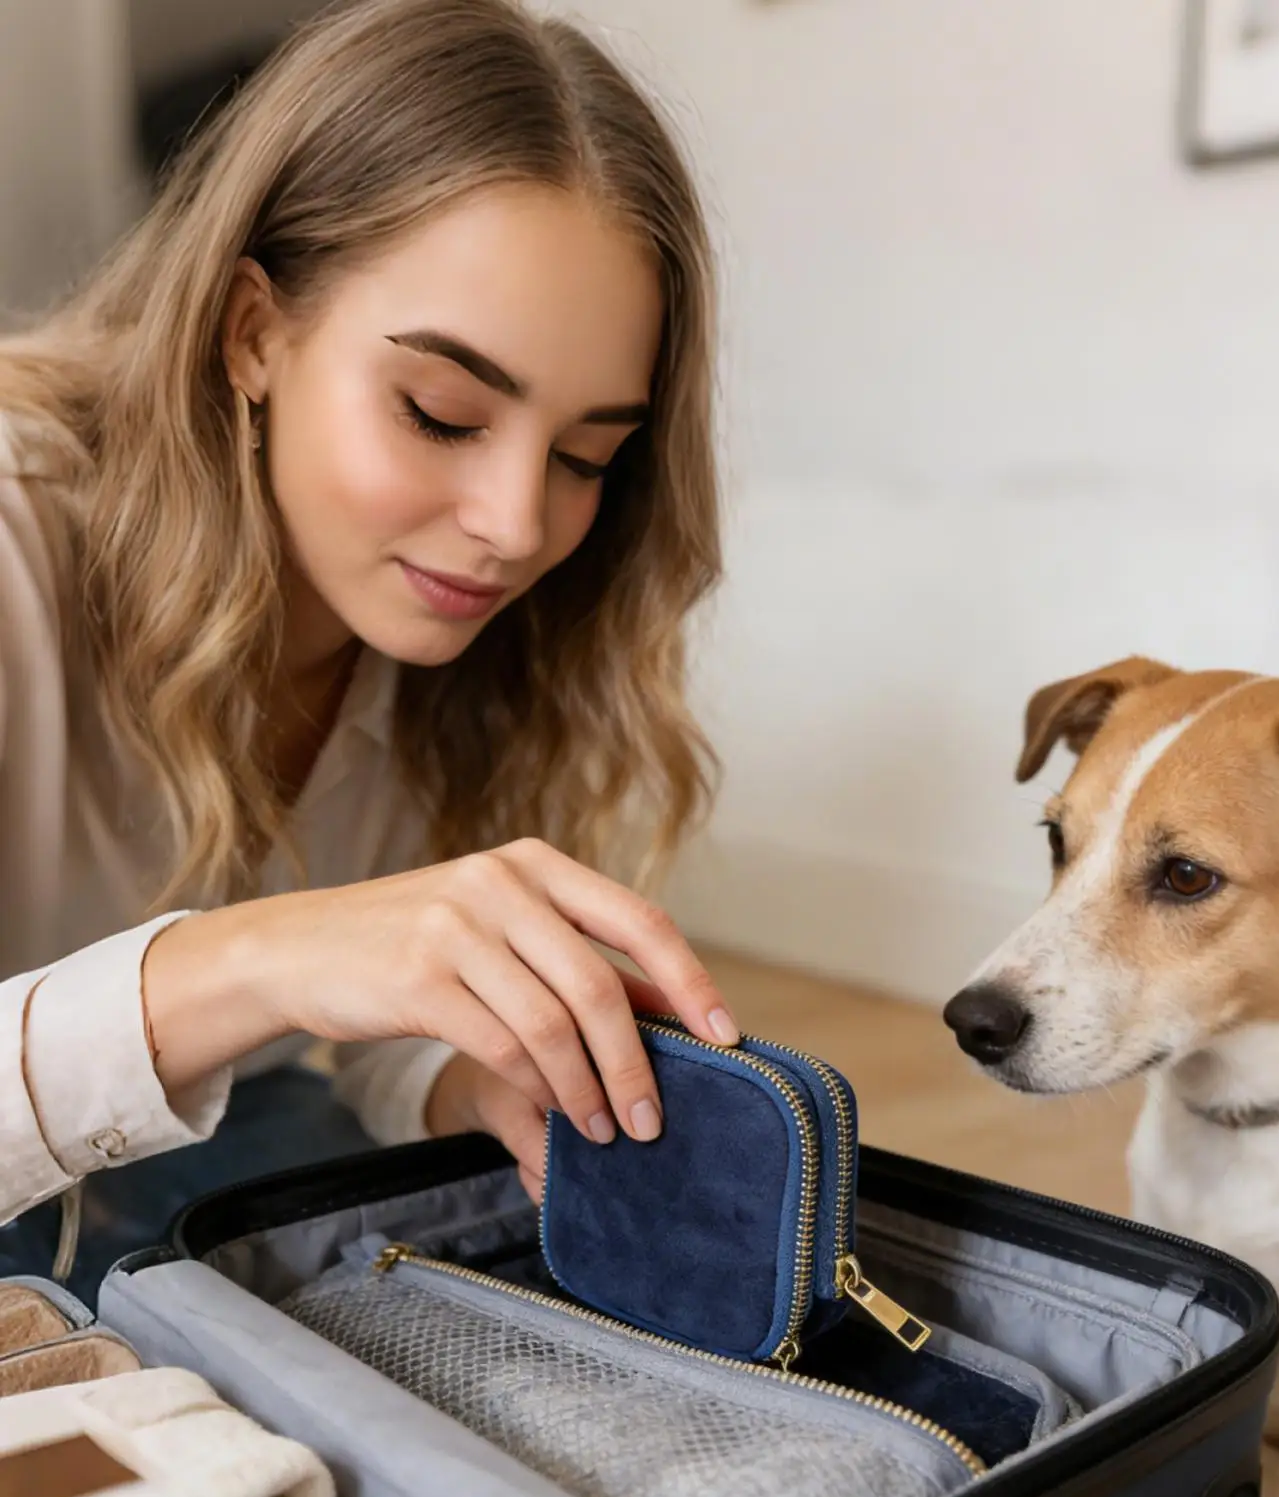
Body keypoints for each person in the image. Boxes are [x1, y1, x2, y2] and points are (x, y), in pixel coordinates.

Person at [0, 0, 740, 1303]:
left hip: (193, 1136)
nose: (515, 529)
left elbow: (347, 1017)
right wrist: (258, 954)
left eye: (586, 458)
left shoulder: (451, 640)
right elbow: (300, 975)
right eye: (440, 413)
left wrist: (472, 1067)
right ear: (253, 332)